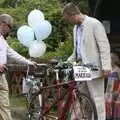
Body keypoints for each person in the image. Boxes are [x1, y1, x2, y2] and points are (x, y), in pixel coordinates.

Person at [62, 3, 112, 120]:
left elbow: (104, 45)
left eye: (68, 19)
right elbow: (77, 50)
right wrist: (66, 63)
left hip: (94, 68)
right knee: (83, 99)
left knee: (97, 100)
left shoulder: (94, 23)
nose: (69, 22)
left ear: (73, 15)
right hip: (81, 69)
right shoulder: (75, 28)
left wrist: (106, 66)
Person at [0, 14, 36, 120]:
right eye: (9, 27)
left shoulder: (2, 40)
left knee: (5, 105)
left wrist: (28, 62)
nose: (9, 30)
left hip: (1, 77)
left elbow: (12, 53)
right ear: (2, 24)